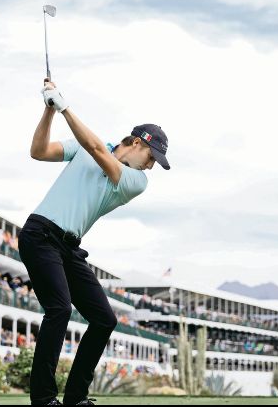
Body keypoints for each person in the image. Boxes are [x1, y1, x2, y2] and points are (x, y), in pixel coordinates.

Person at [19, 78, 170, 406]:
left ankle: (75, 397)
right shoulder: (87, 146)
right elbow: (39, 151)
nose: (151, 164)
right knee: (59, 309)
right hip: (40, 235)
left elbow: (98, 150)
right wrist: (48, 111)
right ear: (134, 142)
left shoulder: (136, 181)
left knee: (104, 318)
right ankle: (44, 399)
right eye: (151, 155)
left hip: (68, 248)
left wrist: (64, 107)